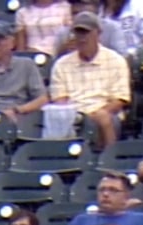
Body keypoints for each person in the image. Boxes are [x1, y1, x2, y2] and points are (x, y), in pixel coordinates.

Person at [47, 13, 129, 150]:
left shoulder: (116, 60)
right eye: (78, 33)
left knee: (105, 118)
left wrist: (96, 115)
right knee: (56, 118)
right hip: (73, 115)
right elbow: (60, 100)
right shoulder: (62, 64)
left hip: (104, 112)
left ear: (98, 33)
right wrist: (76, 116)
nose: (82, 38)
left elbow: (120, 99)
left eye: (86, 33)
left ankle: (109, 160)